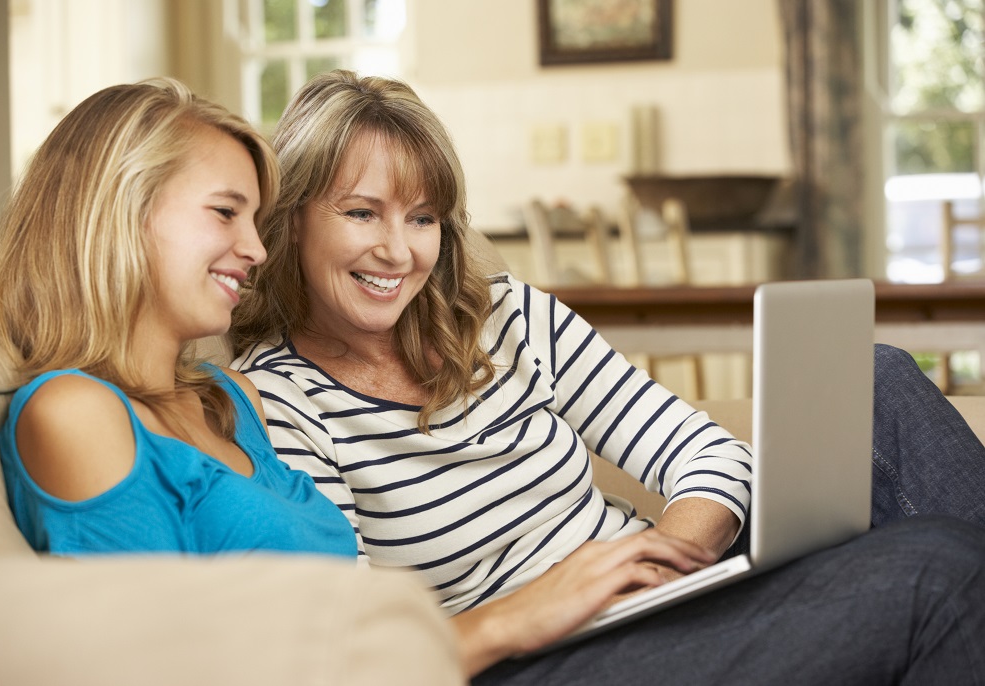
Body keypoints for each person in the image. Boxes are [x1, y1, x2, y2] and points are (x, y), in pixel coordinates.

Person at [230, 69, 985, 683]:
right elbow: (364, 647)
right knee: (935, 570)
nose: (399, 251)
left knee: (875, 376)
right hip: (538, 658)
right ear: (293, 218)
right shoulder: (281, 401)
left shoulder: (507, 314)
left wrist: (664, 561)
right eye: (363, 213)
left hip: (655, 592)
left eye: (422, 218)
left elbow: (711, 454)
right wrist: (557, 601)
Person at [0, 78, 355, 559]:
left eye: (255, 222)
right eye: (224, 212)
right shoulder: (75, 412)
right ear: (122, 211)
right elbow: (159, 630)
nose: (257, 251)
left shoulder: (233, 400)